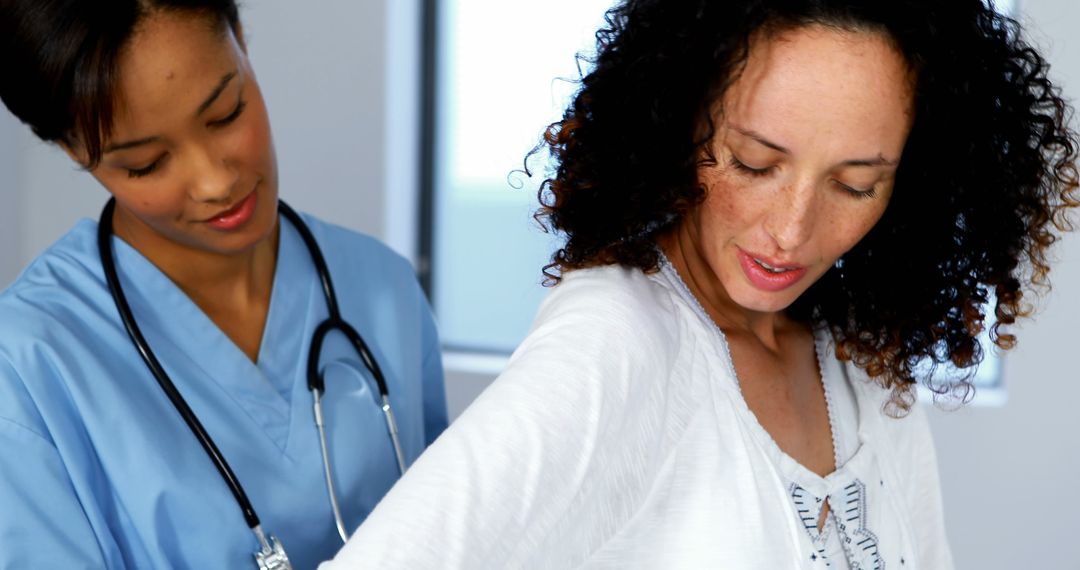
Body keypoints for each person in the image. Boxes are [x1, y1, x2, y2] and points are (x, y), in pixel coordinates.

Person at [321, 0, 1078, 568]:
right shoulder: (618, 341)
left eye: (854, 185)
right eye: (754, 164)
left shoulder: (853, 358)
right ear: (679, 122)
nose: (791, 230)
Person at [0, 1, 447, 568]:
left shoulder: (382, 289)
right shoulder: (26, 367)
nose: (215, 182)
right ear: (74, 149)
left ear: (239, 34)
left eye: (226, 113)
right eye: (146, 164)